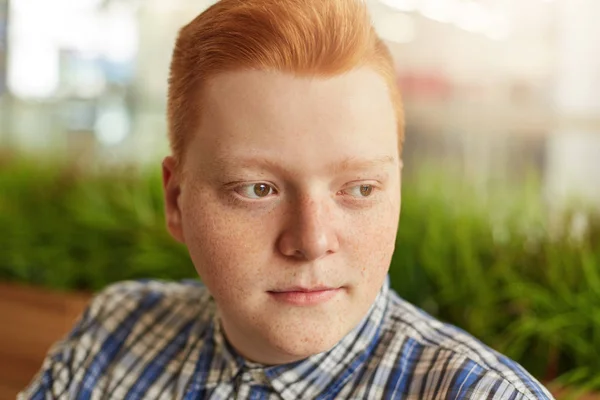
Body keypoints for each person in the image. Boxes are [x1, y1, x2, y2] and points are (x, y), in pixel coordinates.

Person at [21, 0, 554, 399]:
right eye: (258, 189)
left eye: (360, 189)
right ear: (176, 200)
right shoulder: (114, 335)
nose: (312, 241)